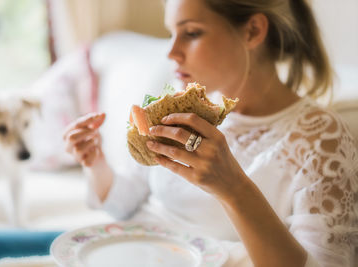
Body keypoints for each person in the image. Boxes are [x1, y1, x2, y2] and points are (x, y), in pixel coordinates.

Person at [63, 0, 358, 266]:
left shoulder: (320, 140)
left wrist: (234, 189)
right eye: (170, 33)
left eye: (191, 33)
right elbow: (123, 206)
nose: (171, 52)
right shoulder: (179, 107)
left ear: (253, 31)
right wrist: (95, 162)